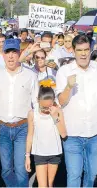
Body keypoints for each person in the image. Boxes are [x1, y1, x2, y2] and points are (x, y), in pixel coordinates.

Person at [0, 39, 38, 187]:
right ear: (2, 55)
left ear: (20, 54)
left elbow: (35, 103)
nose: (11, 56)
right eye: (7, 52)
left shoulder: (31, 76)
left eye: (14, 52)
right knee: (6, 170)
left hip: (23, 128)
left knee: (21, 169)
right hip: (3, 129)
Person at [56, 34, 97, 187]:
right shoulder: (64, 71)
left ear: (91, 50)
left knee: (92, 174)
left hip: (94, 134)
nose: (84, 54)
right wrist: (68, 87)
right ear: (73, 51)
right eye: (79, 50)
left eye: (86, 49)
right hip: (73, 134)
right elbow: (60, 102)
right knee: (74, 174)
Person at [25, 85, 67, 187]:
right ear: (38, 100)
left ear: (53, 101)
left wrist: (54, 117)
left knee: (50, 184)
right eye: (43, 107)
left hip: (54, 153)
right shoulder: (32, 114)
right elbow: (30, 135)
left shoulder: (57, 111)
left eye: (49, 106)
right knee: (42, 185)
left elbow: (63, 134)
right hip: (39, 153)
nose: (46, 109)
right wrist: (27, 156)